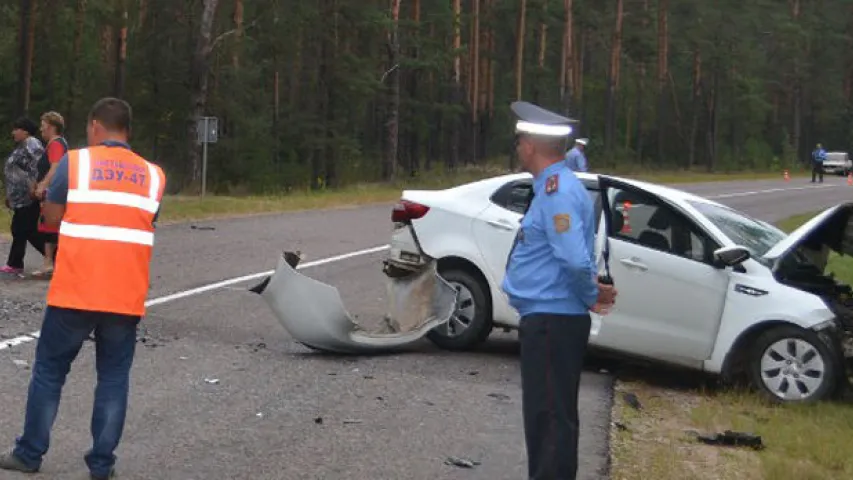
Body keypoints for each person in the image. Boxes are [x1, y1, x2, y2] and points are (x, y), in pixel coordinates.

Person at [0, 97, 167, 480]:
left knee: (49, 371)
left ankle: (29, 453)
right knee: (112, 378)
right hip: (124, 295)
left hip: (75, 290)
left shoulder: (75, 163)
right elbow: (145, 219)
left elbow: (53, 217)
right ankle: (102, 465)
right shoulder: (154, 175)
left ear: (95, 126)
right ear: (127, 129)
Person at [502, 101, 617, 480]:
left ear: (531, 145)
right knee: (550, 417)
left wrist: (589, 295)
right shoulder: (554, 187)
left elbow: (572, 259)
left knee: (549, 418)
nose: (517, 147)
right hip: (550, 318)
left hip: (553, 320)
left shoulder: (557, 191)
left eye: (520, 140)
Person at [2, 117, 46, 274]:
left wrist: (34, 186)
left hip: (29, 196)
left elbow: (38, 165)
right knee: (20, 229)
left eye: (16, 129)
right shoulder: (22, 145)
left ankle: (56, 257)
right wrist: (10, 195)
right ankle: (15, 263)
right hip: (19, 198)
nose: (13, 132)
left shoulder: (32, 143)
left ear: (25, 131)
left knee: (28, 231)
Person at [31, 111, 69, 277]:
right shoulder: (54, 144)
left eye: (43, 125)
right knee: (48, 227)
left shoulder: (56, 144)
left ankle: (50, 263)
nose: (41, 129)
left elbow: (55, 166)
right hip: (52, 190)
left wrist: (43, 185)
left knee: (50, 226)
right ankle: (50, 262)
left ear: (52, 126)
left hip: (54, 192)